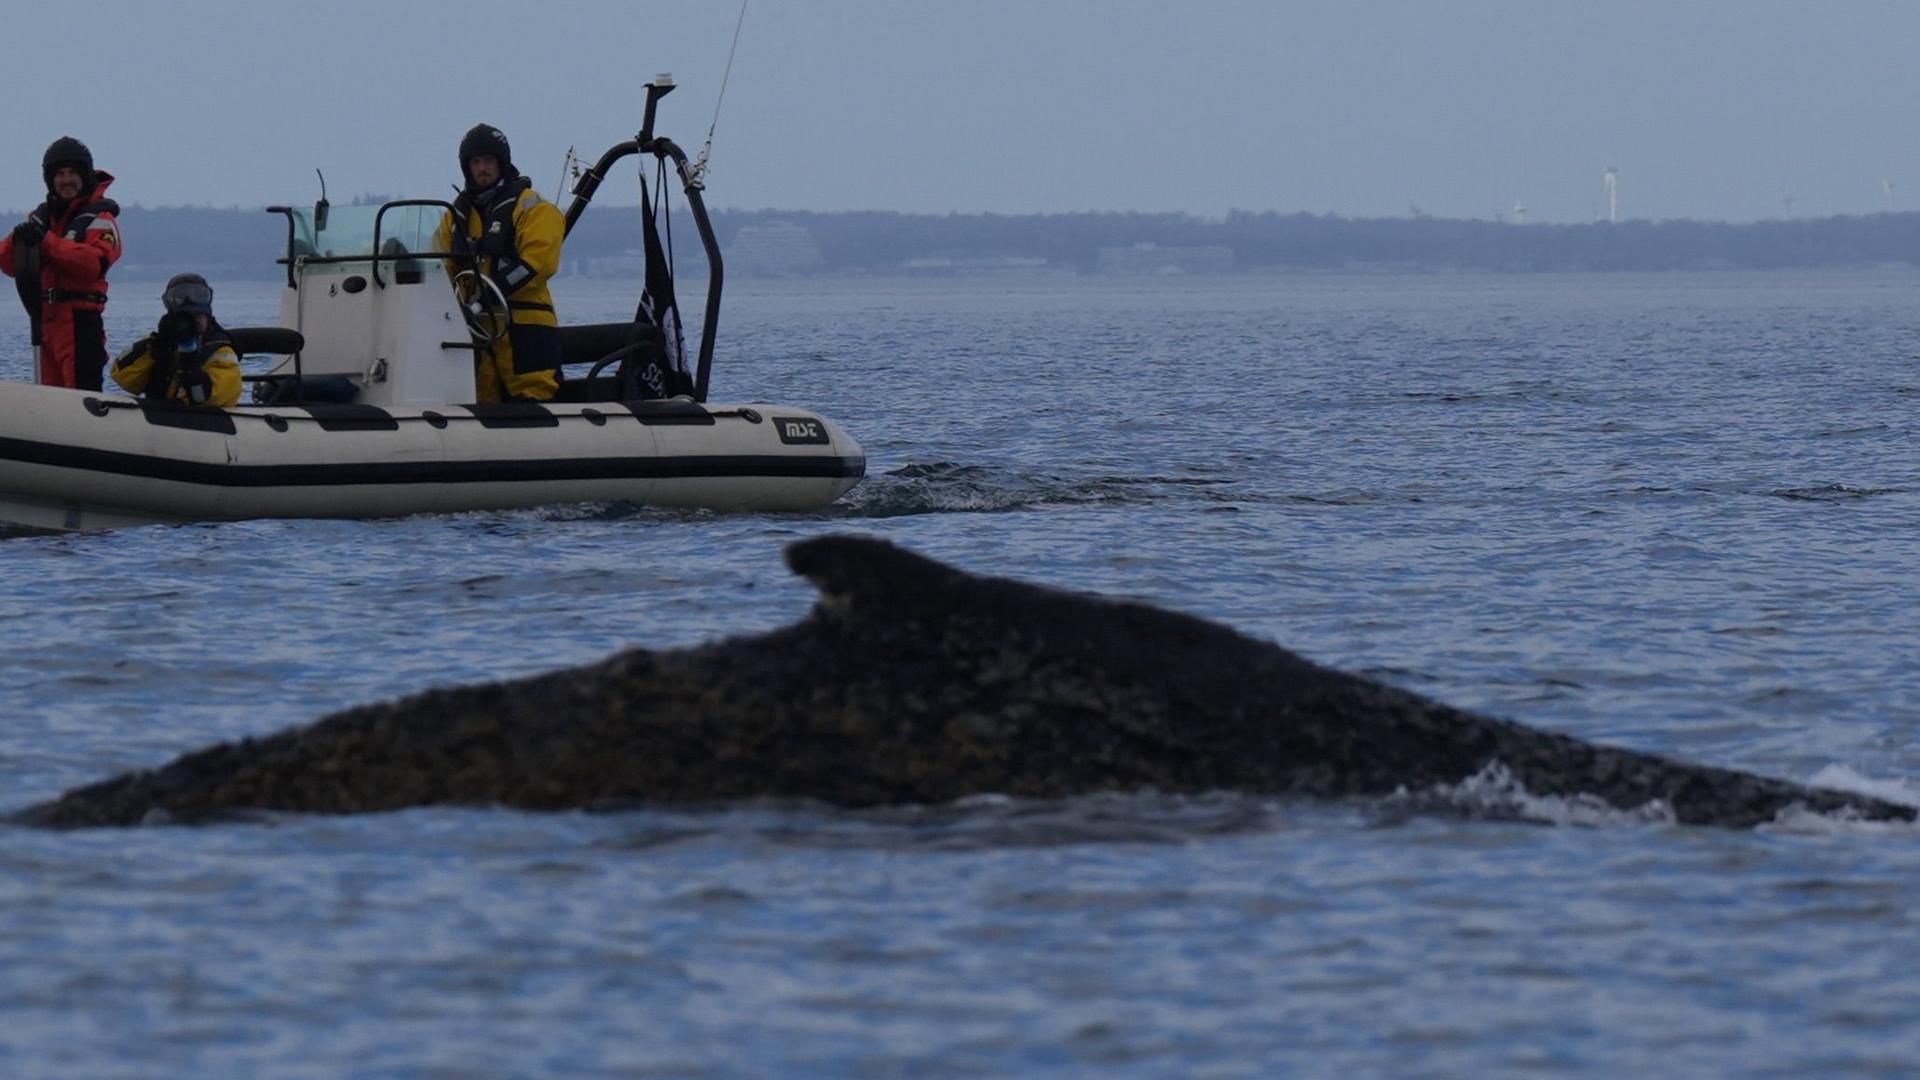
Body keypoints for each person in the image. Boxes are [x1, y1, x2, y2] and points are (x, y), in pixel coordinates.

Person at [431, 124, 564, 403]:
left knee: (534, 396)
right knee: (480, 398)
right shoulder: (456, 217)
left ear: (502, 163)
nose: (482, 169)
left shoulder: (533, 207)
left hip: (524, 329)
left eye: (488, 161)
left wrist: (492, 292)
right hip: (476, 330)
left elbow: (538, 262)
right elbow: (439, 266)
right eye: (475, 162)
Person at [0, 137, 122, 389]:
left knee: (80, 396)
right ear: (50, 179)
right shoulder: (42, 219)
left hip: (80, 322)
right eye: (60, 174)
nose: (66, 180)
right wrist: (19, 239)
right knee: (50, 400)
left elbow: (91, 265)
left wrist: (45, 242)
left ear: (85, 176)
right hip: (47, 321)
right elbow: (8, 264)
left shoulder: (101, 220)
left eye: (73, 173)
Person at [109, 273, 241, 408]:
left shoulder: (221, 352)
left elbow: (210, 397)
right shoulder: (159, 344)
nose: (192, 325)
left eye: (197, 317)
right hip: (157, 418)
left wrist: (190, 363)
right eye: (185, 320)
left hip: (198, 422)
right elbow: (123, 378)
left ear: (208, 316)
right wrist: (155, 348)